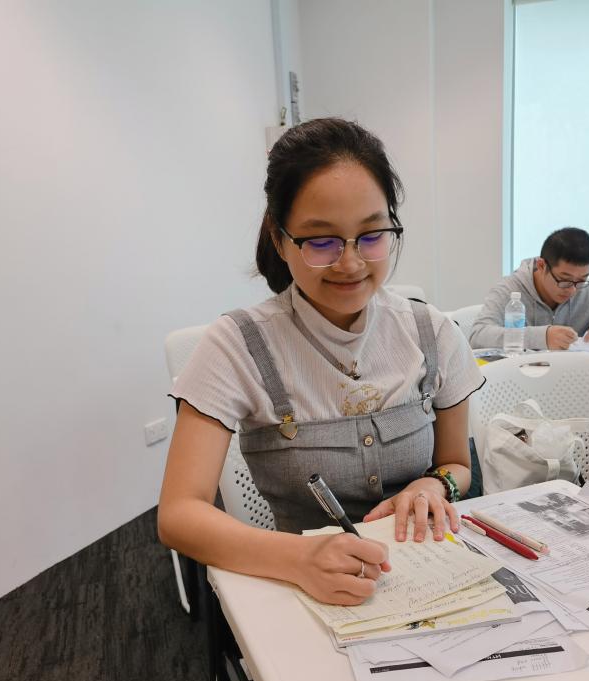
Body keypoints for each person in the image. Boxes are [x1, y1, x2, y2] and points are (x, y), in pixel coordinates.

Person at [158, 118, 484, 607]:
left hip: (427, 576)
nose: (350, 263)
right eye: (321, 241)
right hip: (303, 591)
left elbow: (457, 464)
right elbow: (179, 513)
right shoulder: (238, 345)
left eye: (371, 235)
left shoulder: (430, 332)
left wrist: (433, 485)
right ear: (279, 237)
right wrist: (299, 559)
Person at [469, 227, 589, 350]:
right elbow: (477, 335)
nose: (572, 290)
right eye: (564, 280)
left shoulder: (586, 291)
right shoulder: (509, 290)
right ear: (542, 265)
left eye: (582, 279)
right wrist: (542, 337)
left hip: (573, 381)